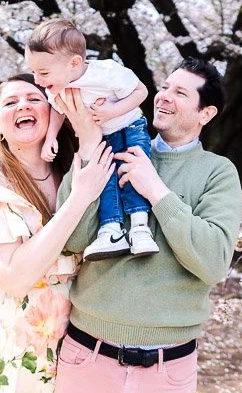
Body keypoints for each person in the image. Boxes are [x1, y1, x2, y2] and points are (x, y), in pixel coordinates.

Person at [51, 57, 242, 393]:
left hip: (166, 370)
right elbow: (73, 241)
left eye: (180, 93)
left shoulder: (218, 173)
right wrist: (87, 148)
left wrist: (155, 190)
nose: (164, 96)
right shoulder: (112, 149)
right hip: (87, 356)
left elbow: (214, 261)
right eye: (165, 87)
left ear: (206, 114)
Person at [0, 74, 115, 393]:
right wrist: (79, 200)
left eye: (34, 99)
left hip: (65, 343)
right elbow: (15, 277)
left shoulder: (74, 172)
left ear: (54, 114)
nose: (23, 106)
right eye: (11, 102)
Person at [24, 18, 159, 261]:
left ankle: (140, 227)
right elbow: (57, 109)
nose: (37, 80)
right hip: (102, 136)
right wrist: (50, 137)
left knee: (132, 173)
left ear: (74, 63)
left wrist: (112, 111)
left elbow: (142, 91)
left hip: (130, 126)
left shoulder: (106, 73)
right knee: (104, 179)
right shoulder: (57, 87)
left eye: (43, 72)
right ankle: (111, 229)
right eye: (34, 72)